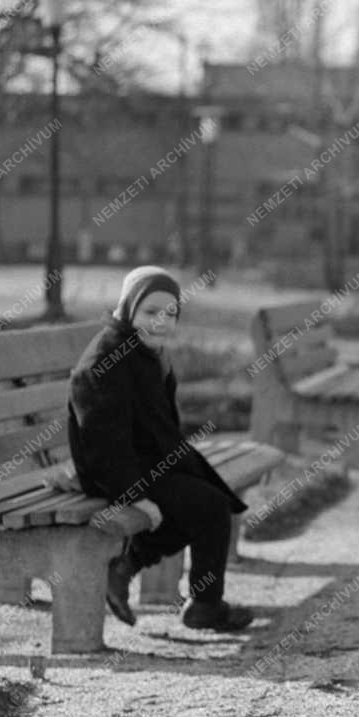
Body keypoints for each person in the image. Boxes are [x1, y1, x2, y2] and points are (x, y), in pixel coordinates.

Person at [68, 265, 254, 633]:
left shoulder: (143, 352)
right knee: (209, 506)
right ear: (128, 309)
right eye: (150, 312)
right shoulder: (106, 362)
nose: (161, 322)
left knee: (209, 498)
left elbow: (156, 424)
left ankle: (129, 568)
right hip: (113, 472)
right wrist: (135, 497)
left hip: (144, 462)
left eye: (170, 314)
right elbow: (102, 443)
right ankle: (203, 605)